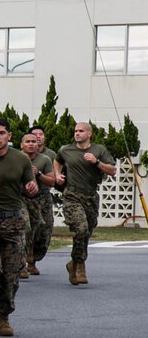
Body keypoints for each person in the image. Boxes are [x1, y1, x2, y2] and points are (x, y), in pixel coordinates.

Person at [0, 119, 38, 337]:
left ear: (9, 136)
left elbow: (30, 187)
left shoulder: (20, 159)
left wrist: (32, 187)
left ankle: (4, 315)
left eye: (1, 133)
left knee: (11, 274)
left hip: (13, 221)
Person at [54, 122, 116, 285]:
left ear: (89, 133)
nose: (77, 134)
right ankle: (80, 265)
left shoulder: (99, 150)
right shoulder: (66, 149)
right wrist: (57, 174)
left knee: (86, 232)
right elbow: (57, 160)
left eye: (81, 131)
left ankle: (73, 263)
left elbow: (112, 170)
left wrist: (96, 162)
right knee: (80, 229)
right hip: (72, 195)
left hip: (90, 197)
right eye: (75, 131)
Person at [21, 131, 55, 275]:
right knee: (25, 227)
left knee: (43, 232)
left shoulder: (45, 159)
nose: (31, 144)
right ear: (21, 144)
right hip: (22, 198)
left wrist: (38, 174)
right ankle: (22, 263)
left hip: (42, 199)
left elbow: (51, 181)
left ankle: (33, 260)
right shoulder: (17, 158)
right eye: (27, 142)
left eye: (33, 142)